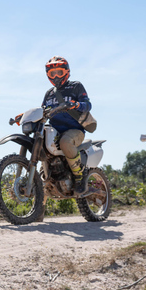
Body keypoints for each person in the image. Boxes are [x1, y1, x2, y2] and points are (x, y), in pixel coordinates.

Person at [41, 56, 92, 195]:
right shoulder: (49, 94)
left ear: (66, 72)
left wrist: (76, 104)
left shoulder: (75, 86)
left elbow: (88, 105)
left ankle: (79, 177)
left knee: (65, 142)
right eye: (52, 73)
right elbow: (42, 112)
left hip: (74, 130)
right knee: (40, 142)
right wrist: (24, 116)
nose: (56, 76)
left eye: (59, 72)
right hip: (54, 131)